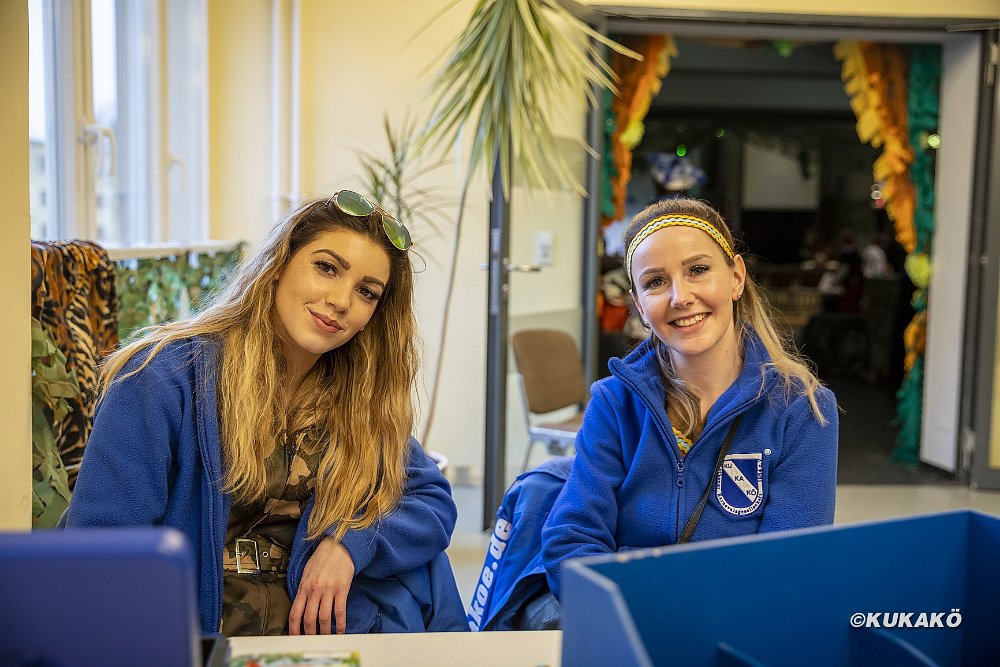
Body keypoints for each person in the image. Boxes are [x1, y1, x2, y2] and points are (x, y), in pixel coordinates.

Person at [66, 193, 464, 636]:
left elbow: (430, 498)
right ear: (278, 264)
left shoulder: (356, 398)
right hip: (196, 638)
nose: (341, 301)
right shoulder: (162, 379)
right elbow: (103, 552)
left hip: (322, 640)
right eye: (326, 268)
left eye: (366, 292)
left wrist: (347, 545)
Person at [542, 197, 839, 600]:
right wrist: (639, 609)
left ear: (736, 278)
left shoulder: (802, 409)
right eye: (655, 282)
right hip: (625, 621)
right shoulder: (614, 403)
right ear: (639, 307)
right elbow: (571, 540)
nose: (680, 297)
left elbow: (790, 567)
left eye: (697, 270)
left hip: (735, 626)